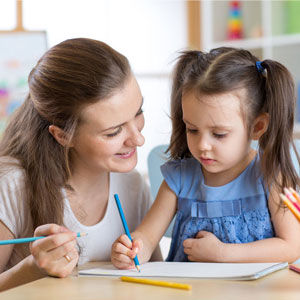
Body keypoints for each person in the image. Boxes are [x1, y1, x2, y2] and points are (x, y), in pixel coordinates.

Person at [111, 47, 300, 269]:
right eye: (192, 129)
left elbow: (292, 246)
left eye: (219, 134)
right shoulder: (179, 178)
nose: (202, 145)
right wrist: (131, 250)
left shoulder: (271, 175)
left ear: (257, 127)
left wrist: (223, 253)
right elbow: (148, 237)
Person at [0, 38, 160, 291]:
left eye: (138, 112)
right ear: (62, 135)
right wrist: (33, 268)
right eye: (113, 132)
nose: (138, 139)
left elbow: (156, 280)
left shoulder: (131, 185)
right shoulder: (12, 184)